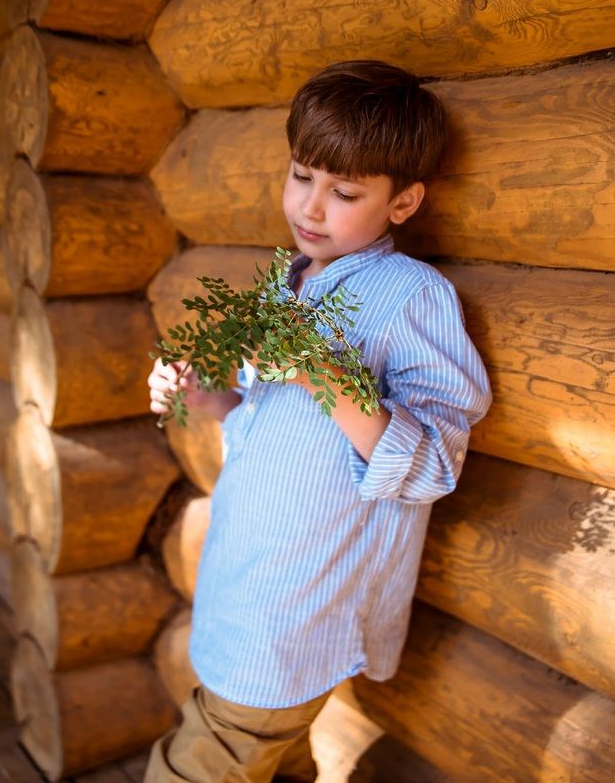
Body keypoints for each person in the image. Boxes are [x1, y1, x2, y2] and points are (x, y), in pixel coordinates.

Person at [146, 60, 492, 783]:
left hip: (300, 601)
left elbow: (431, 463)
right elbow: (264, 422)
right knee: (276, 760)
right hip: (246, 575)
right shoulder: (287, 281)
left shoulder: (409, 297)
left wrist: (325, 374)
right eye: (302, 175)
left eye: (343, 192)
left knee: (201, 765)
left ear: (402, 203)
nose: (310, 206)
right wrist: (205, 397)